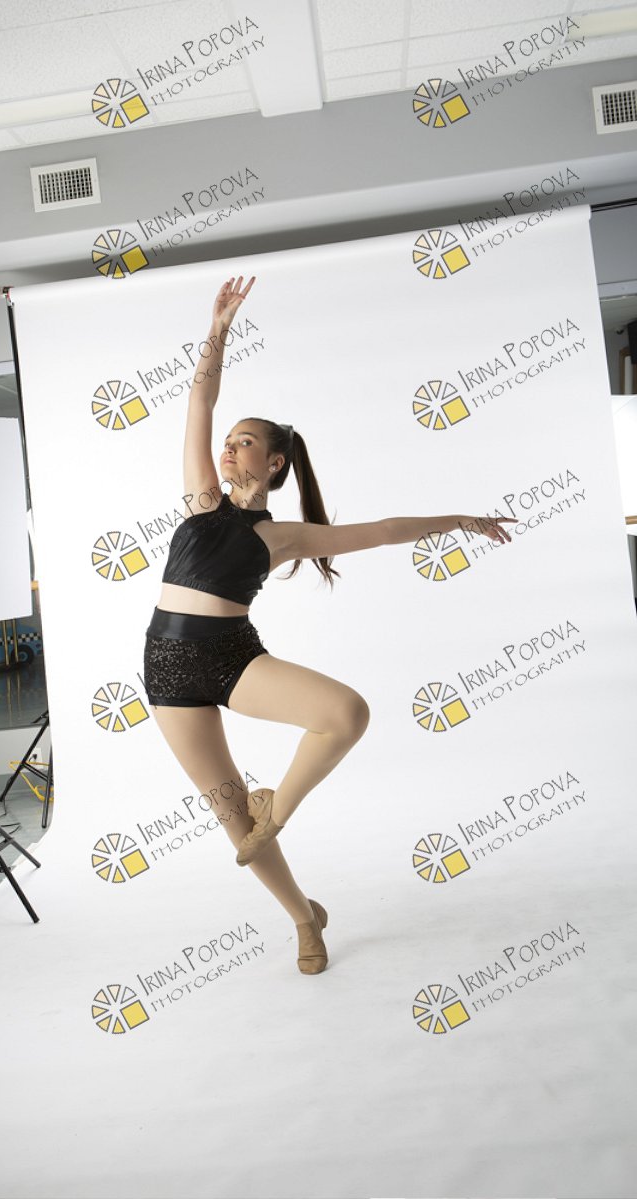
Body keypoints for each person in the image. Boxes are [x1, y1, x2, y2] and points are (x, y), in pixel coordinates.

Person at [143, 275, 515, 976]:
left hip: (230, 658)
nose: (228, 449)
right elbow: (200, 401)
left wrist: (461, 519)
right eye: (228, 443)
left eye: (244, 443)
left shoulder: (282, 536)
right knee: (232, 821)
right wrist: (218, 329)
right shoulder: (201, 501)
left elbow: (383, 530)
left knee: (345, 714)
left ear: (274, 462)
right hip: (165, 668)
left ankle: (277, 810)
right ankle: (303, 917)